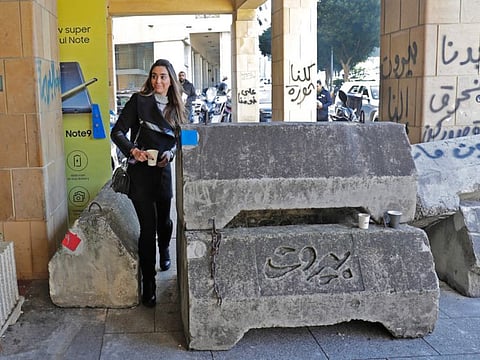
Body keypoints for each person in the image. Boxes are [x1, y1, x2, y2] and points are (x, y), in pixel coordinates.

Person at [111, 59, 186, 307]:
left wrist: (171, 154)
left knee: (164, 222)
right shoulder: (139, 101)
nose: (158, 81)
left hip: (163, 173)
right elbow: (117, 132)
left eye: (163, 77)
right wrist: (133, 151)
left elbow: (182, 139)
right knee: (147, 228)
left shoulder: (178, 106)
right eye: (154, 76)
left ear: (171, 80)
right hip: (140, 173)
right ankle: (150, 285)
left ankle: (164, 250)